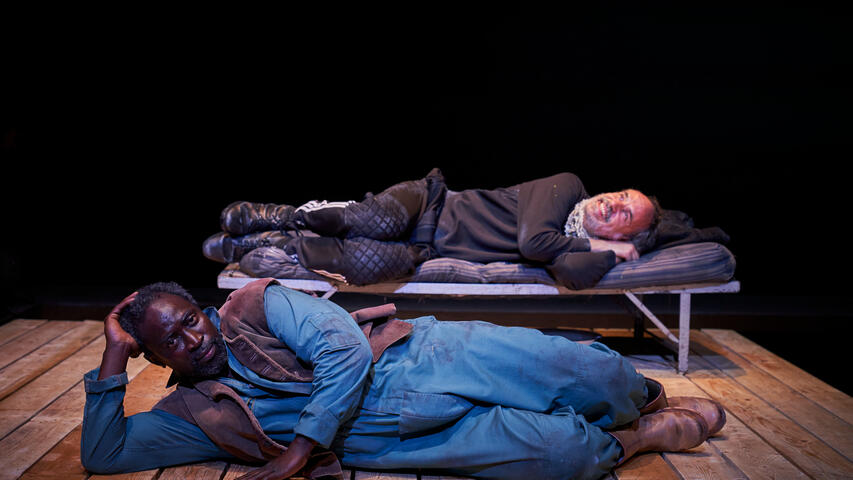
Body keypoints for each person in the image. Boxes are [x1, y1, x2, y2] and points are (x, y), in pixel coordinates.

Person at [81, 279, 726, 480]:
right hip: (395, 435)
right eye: (171, 341)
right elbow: (104, 454)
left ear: (203, 310)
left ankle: (640, 399)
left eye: (191, 320)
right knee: (562, 457)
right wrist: (113, 355)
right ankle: (637, 439)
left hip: (421, 358)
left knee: (593, 371)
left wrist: (300, 448)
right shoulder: (195, 414)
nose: (194, 338)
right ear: (155, 359)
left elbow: (342, 349)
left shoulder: (254, 305)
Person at [202, 169, 662, 289]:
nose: (615, 204)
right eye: (623, 195)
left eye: (626, 215)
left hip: (426, 250)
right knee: (372, 219)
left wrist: (607, 251)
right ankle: (279, 215)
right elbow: (533, 243)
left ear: (621, 236)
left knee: (366, 264)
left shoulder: (574, 246)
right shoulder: (568, 186)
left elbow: (573, 275)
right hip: (430, 204)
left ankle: (273, 244)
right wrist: (594, 242)